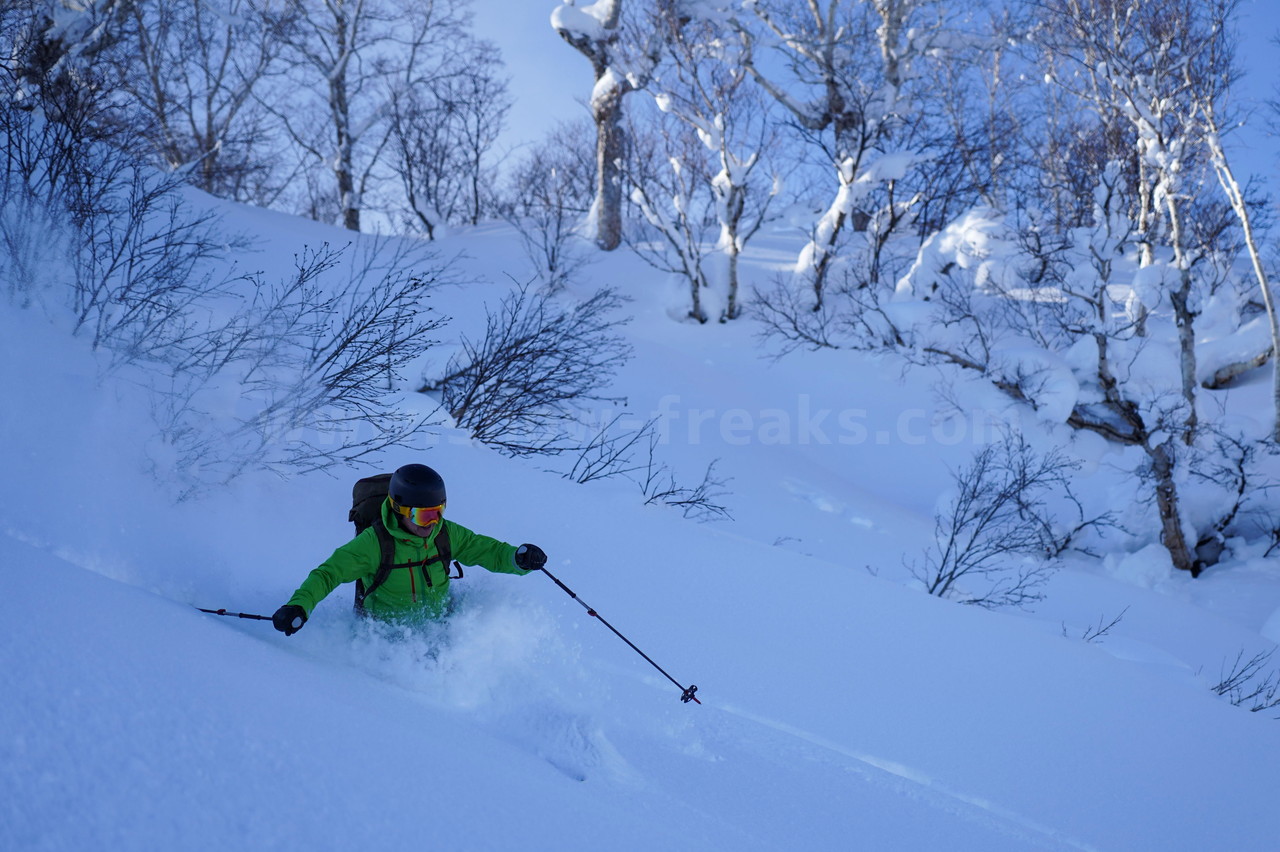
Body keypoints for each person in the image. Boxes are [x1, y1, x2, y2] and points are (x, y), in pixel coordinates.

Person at [272, 463, 546, 635]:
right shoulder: (375, 544)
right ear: (399, 511)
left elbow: (485, 549)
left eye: (438, 512)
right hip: (386, 637)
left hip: (439, 627)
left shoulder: (445, 533)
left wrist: (517, 558)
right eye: (423, 516)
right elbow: (328, 573)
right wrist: (299, 606)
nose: (433, 523)